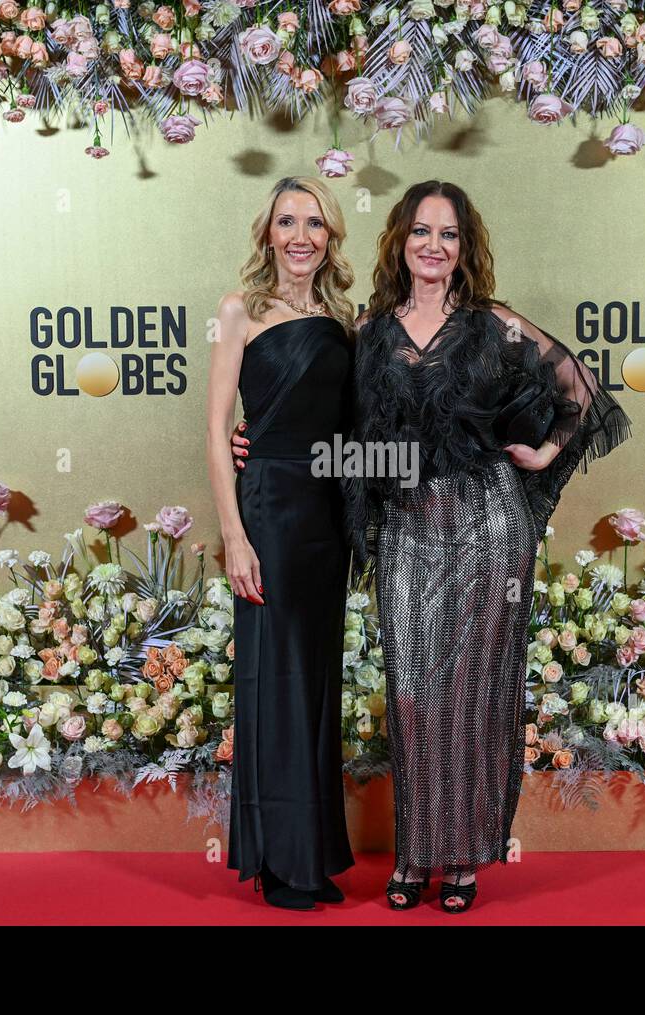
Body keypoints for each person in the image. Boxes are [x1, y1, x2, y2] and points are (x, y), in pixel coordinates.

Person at [236, 180, 633, 913]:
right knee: (414, 697)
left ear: (463, 249)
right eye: (421, 231)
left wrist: (545, 452)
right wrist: (266, 446)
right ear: (401, 241)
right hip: (410, 531)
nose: (433, 246)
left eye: (448, 235)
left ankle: (462, 863)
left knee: (475, 697)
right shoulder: (371, 329)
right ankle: (416, 852)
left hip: (487, 527)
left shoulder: (492, 324)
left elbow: (578, 384)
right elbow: (345, 431)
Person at [206, 176, 358, 910]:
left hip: (324, 517)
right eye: (288, 222)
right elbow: (214, 435)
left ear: (331, 237)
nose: (302, 236)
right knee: (272, 678)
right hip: (265, 510)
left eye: (316, 224)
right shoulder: (239, 312)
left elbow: (353, 434)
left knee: (317, 681)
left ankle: (315, 853)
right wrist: (234, 534)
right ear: (269, 233)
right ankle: (276, 860)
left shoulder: (344, 318)